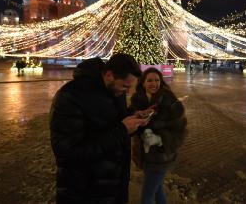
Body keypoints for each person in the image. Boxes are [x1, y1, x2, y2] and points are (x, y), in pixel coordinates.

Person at [50, 53, 148, 204]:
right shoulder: (70, 96)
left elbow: (112, 123)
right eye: (125, 86)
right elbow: (67, 154)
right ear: (109, 75)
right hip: (83, 192)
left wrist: (133, 117)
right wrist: (122, 130)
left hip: (113, 188)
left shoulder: (115, 90)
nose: (127, 92)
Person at [129, 67, 187, 204]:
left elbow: (180, 128)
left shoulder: (169, 100)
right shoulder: (138, 100)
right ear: (143, 82)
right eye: (149, 80)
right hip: (145, 154)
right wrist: (136, 117)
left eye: (157, 80)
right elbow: (130, 123)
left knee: (147, 197)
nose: (153, 84)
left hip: (161, 156)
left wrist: (160, 139)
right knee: (158, 189)